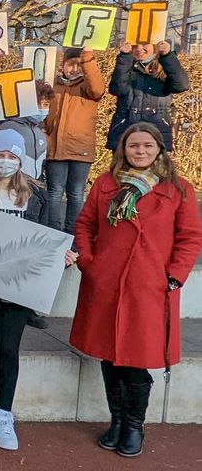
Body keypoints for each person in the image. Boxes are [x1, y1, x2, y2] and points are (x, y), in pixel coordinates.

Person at [70, 122, 202, 458]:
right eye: (133, 146)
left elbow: (189, 238)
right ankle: (116, 421)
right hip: (107, 282)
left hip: (150, 286)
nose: (140, 151)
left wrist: (175, 276)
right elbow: (85, 224)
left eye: (146, 146)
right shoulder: (106, 183)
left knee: (136, 360)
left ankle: (134, 425)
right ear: (123, 150)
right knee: (109, 355)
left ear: (159, 149)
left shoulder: (179, 190)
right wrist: (89, 260)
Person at [0, 129, 76, 451]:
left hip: (22, 286)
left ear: (21, 162)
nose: (5, 162)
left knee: (9, 351)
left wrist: (61, 255)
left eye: (12, 157)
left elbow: (51, 234)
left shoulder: (36, 195)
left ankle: (4, 414)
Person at [44, 48, 106, 233]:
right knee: (54, 192)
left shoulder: (88, 87)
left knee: (76, 193)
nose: (74, 69)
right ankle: (53, 231)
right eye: (70, 64)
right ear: (62, 65)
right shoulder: (52, 85)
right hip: (54, 148)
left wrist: (87, 58)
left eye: (79, 65)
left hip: (80, 149)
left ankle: (73, 233)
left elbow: (97, 88)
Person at [105, 40, 189, 152]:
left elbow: (181, 85)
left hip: (157, 134)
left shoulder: (164, 68)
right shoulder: (126, 66)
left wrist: (167, 56)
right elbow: (117, 89)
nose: (139, 48)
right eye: (135, 45)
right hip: (125, 133)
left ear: (154, 46)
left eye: (145, 44)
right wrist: (125, 57)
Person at [0, 81, 53, 181]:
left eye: (45, 105)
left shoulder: (40, 133)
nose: (41, 109)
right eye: (37, 104)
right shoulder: (8, 128)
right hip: (14, 188)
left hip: (34, 189)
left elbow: (41, 165)